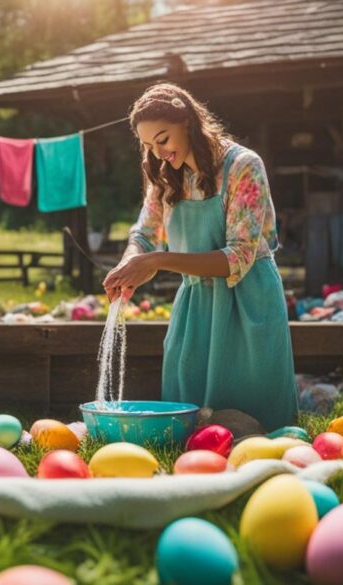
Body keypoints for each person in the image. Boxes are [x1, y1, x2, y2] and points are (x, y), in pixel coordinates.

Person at [102, 83, 297, 431]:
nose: (158, 153)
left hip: (248, 303)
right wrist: (129, 263)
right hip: (196, 304)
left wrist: (157, 262)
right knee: (189, 426)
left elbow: (237, 256)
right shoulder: (165, 175)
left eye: (163, 139)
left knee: (256, 428)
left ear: (187, 123)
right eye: (148, 145)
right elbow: (144, 235)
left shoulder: (242, 166)